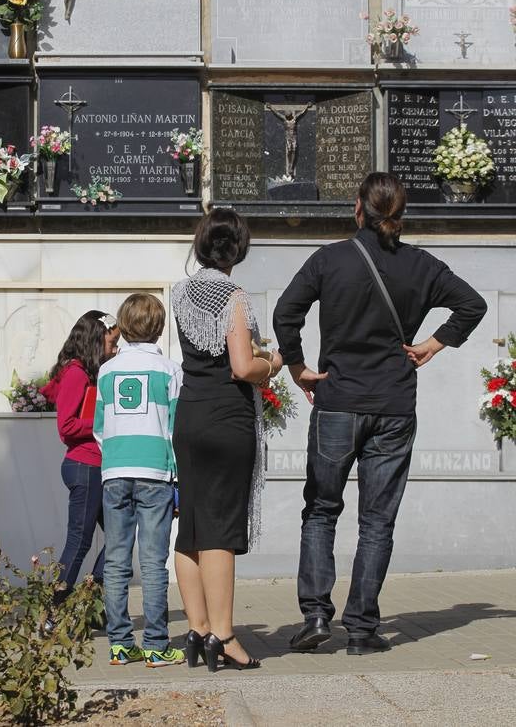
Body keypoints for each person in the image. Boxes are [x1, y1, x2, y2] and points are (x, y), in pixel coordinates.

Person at [273, 172, 487, 656]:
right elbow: (470, 305)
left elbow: (287, 312)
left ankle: (315, 616)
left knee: (321, 510)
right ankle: (364, 630)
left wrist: (299, 366)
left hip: (337, 402)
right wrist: (434, 343)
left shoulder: (330, 260)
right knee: (377, 521)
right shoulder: (422, 266)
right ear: (400, 214)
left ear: (358, 208)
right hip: (393, 405)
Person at [172, 208, 283, 672]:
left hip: (190, 415)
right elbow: (241, 366)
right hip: (225, 419)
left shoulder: (180, 292)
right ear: (237, 248)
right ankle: (225, 635)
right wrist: (272, 363)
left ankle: (197, 630)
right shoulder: (232, 295)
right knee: (219, 528)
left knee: (192, 528)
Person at [94, 293, 185, 668]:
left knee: (116, 561)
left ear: (124, 326)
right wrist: (177, 474)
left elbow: (99, 428)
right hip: (155, 473)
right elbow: (175, 428)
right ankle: (156, 644)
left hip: (114, 471)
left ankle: (119, 643)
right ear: (160, 327)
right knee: (152, 561)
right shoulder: (169, 370)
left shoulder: (106, 371)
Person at [41, 310, 119, 625]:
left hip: (95, 466)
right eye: (112, 343)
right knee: (80, 540)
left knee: (119, 534)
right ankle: (51, 612)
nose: (115, 350)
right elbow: (67, 427)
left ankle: (89, 600)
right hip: (84, 466)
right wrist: (105, 421)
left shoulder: (88, 371)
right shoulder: (75, 372)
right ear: (95, 340)